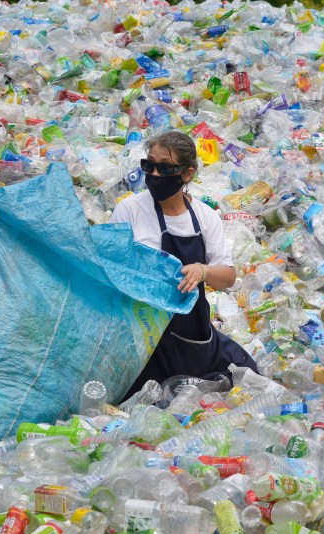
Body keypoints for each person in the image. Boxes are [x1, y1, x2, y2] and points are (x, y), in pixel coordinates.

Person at [110, 131, 257, 397]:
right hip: (144, 335)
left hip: (189, 334)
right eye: (149, 165)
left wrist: (203, 271)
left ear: (187, 174)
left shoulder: (204, 217)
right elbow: (111, 272)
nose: (155, 174)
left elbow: (227, 277)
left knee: (247, 377)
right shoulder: (129, 210)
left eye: (165, 168)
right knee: (146, 398)